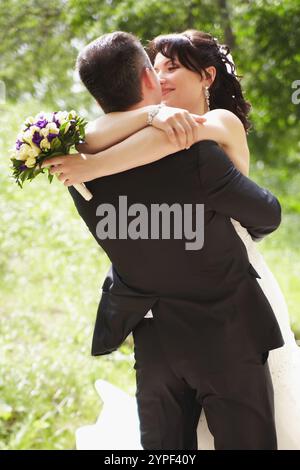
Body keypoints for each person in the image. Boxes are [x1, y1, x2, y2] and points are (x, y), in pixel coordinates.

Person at [43, 31, 284, 450]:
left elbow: (91, 137)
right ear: (147, 78)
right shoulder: (198, 154)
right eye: (157, 67)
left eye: (173, 66)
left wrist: (101, 158)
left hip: (154, 344)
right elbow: (267, 216)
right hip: (225, 330)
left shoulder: (74, 171)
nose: (164, 75)